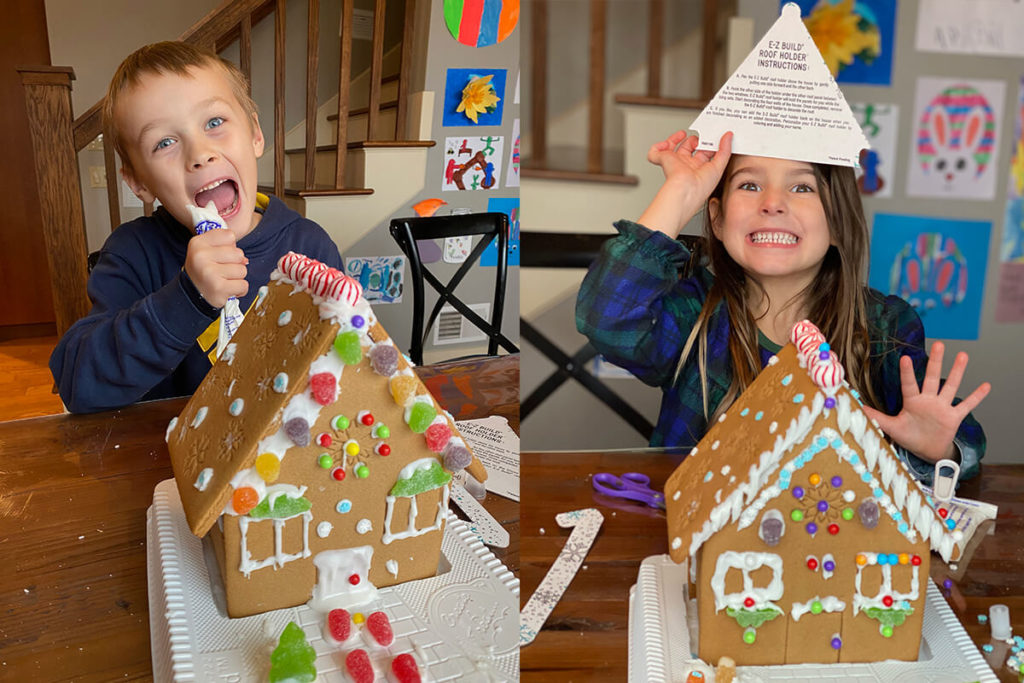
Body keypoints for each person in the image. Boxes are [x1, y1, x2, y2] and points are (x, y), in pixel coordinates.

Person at [576, 130, 990, 484]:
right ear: (717, 221)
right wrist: (680, 192)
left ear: (838, 223)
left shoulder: (884, 327)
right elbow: (608, 318)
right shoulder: (694, 312)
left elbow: (958, 443)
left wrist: (940, 448)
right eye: (750, 185)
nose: (772, 203)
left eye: (803, 186)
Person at [50, 42, 343, 413]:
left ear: (255, 132)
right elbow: (76, 383)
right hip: (164, 459)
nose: (200, 153)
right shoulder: (133, 253)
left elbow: (338, 365)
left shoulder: (310, 246)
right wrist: (187, 300)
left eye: (214, 123)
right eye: (165, 142)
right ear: (139, 182)